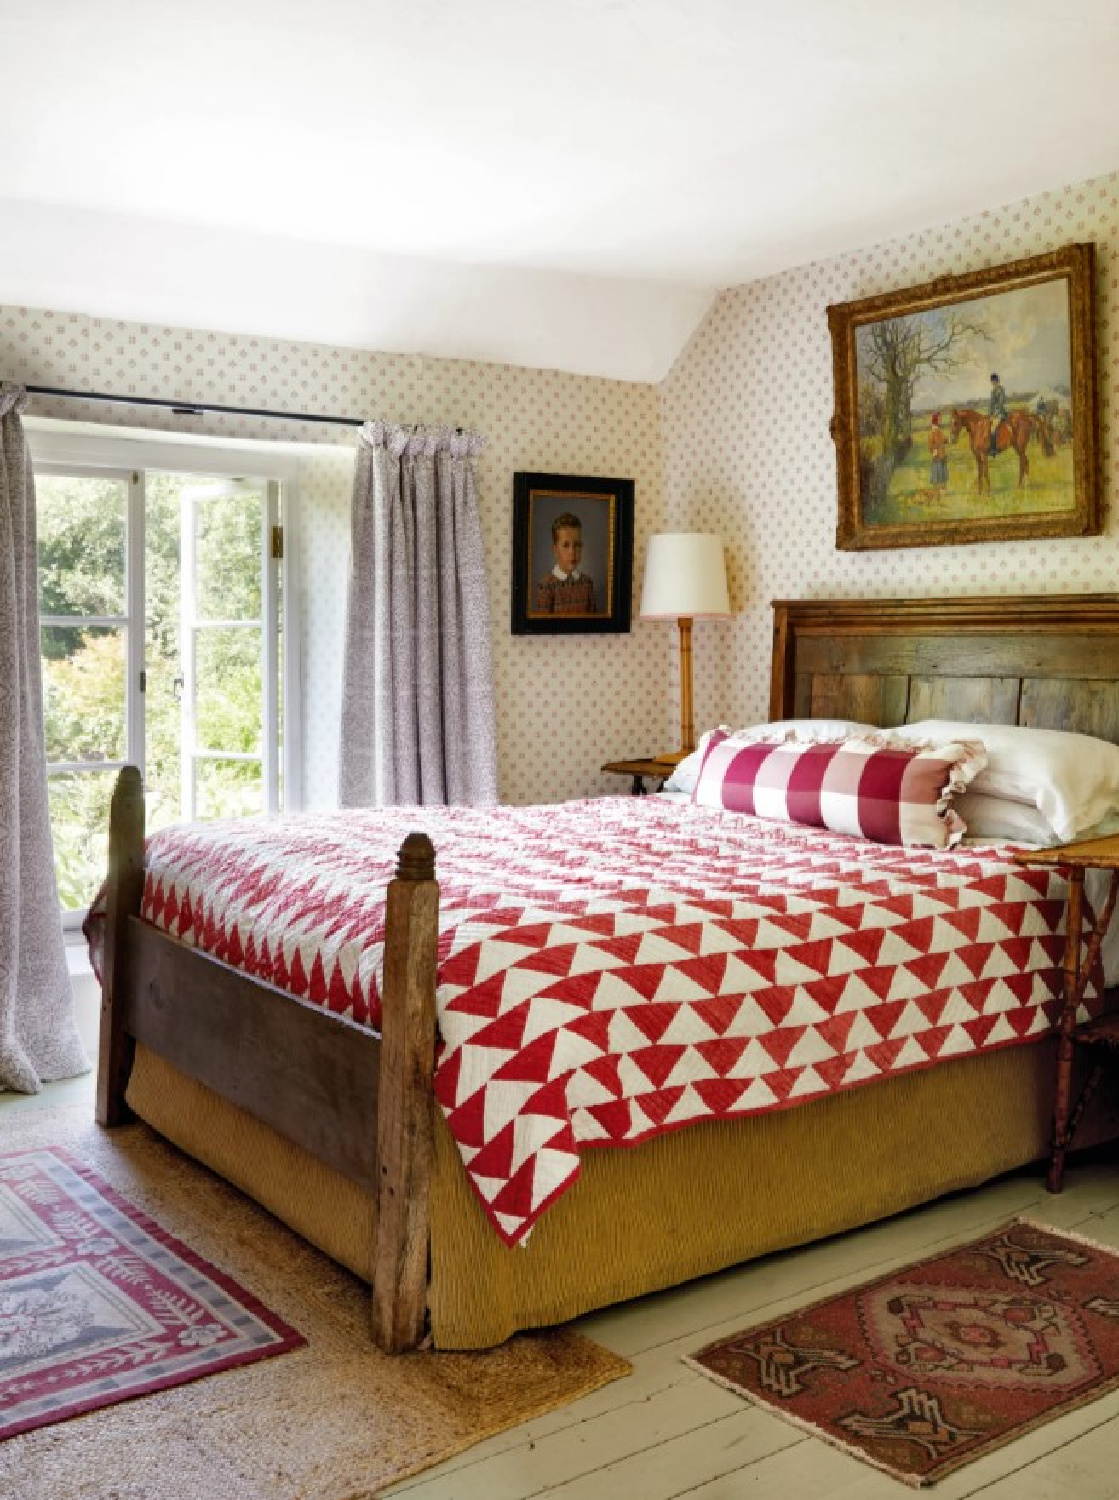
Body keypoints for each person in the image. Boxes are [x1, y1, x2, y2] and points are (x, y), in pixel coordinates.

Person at [535, 511, 597, 615]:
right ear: (555, 550)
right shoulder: (546, 586)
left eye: (577, 545)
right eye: (566, 545)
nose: (572, 552)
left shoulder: (587, 583)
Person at [927, 411, 948, 490]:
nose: (941, 420)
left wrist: (948, 440)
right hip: (937, 456)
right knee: (936, 473)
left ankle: (943, 487)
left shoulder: (939, 431)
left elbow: (943, 439)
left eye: (941, 418)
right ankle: (936, 489)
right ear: (936, 420)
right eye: (939, 418)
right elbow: (930, 445)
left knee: (943, 472)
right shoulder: (932, 432)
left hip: (942, 455)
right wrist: (934, 451)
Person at [988, 372, 1007, 456]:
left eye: (994, 381)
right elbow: (991, 404)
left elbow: (1000, 403)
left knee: (993, 429)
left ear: (997, 381)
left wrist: (994, 415)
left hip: (1000, 413)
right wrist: (989, 414)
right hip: (993, 414)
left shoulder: (1001, 389)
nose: (993, 383)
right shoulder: (992, 391)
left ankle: (994, 449)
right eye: (992, 382)